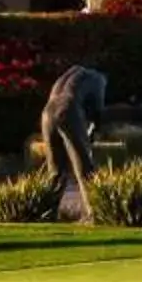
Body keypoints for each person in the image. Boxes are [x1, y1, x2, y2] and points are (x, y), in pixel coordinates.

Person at [39, 67, 107, 212]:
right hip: (68, 109)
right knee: (84, 168)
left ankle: (46, 212)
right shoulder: (99, 79)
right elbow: (98, 113)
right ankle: (95, 212)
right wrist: (92, 134)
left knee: (56, 171)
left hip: (47, 112)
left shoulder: (69, 74)